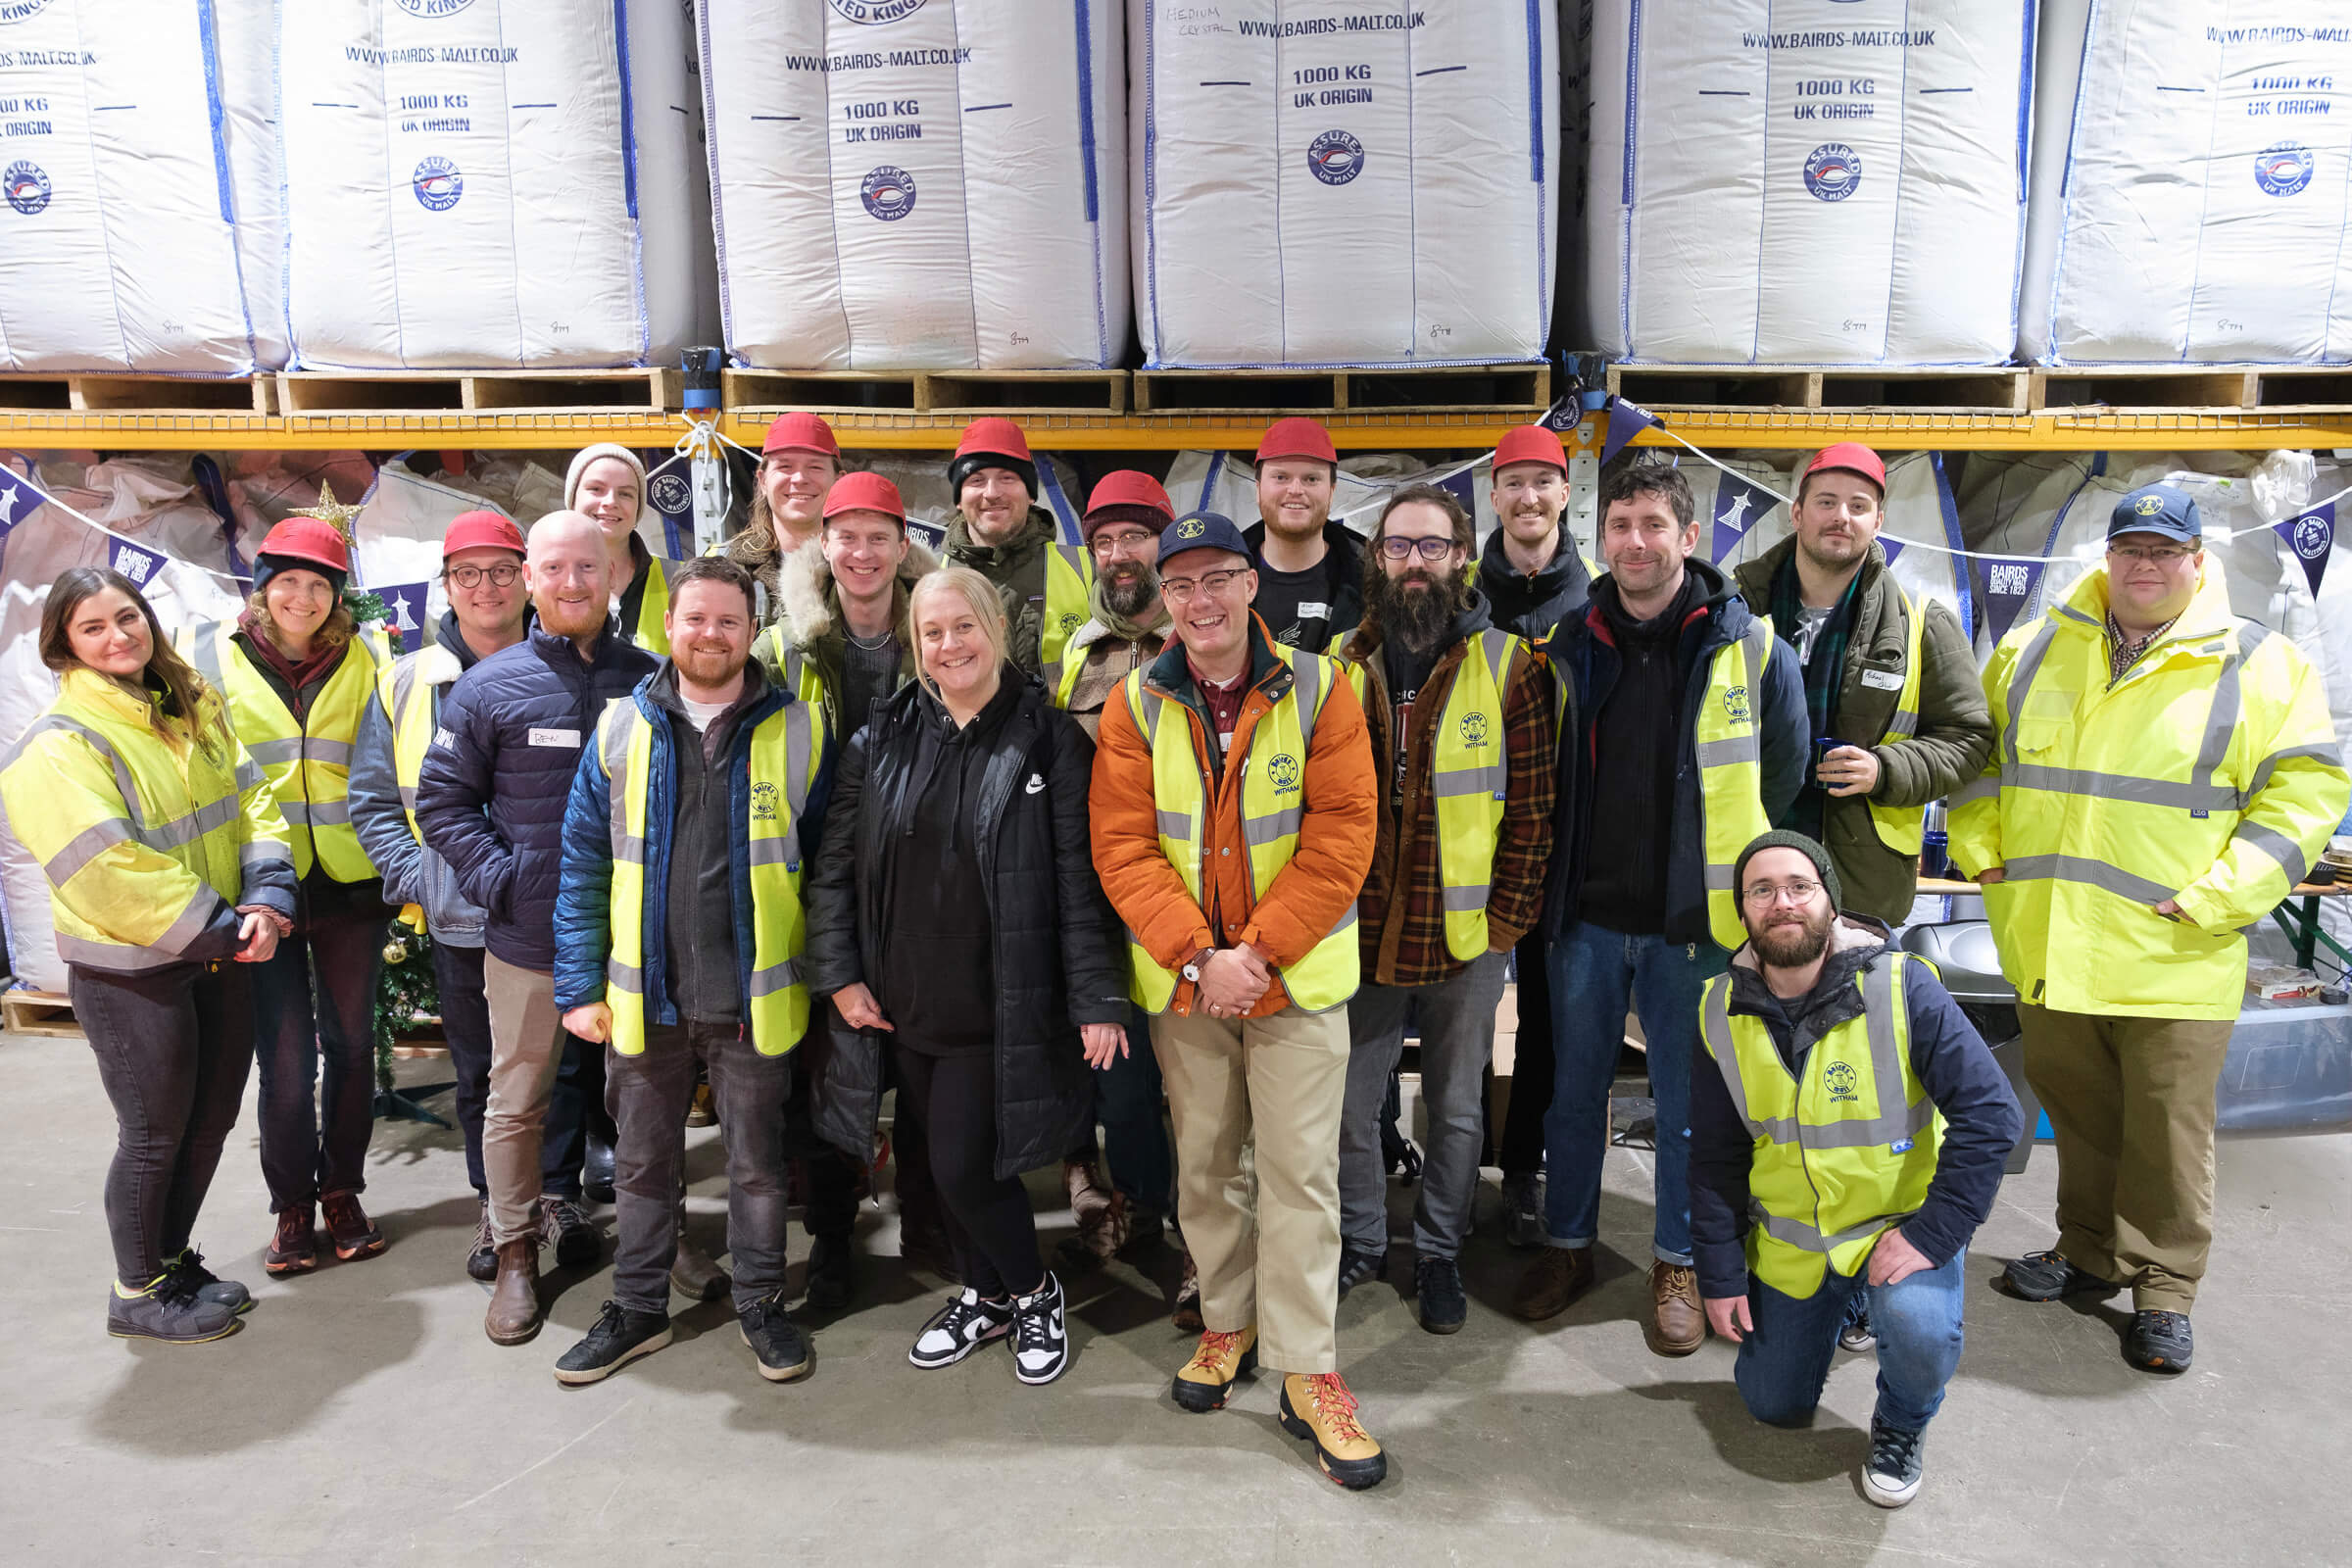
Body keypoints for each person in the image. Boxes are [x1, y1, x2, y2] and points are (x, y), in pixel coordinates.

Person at [1949, 482, 2348, 1373]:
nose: (2144, 565)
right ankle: (2087, 1250)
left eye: (2164, 552)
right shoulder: (2035, 645)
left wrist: (2220, 896)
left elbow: (2309, 794)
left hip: (2177, 948)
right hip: (2052, 938)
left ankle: (2164, 1286)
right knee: (2082, 1116)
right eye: (2131, 548)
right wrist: (1982, 851)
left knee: (2167, 1131)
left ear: (2196, 562)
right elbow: (1982, 762)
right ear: (2109, 557)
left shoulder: (2258, 663)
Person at [1091, 510, 1389, 1490]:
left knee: (1302, 1177)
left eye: (1219, 577)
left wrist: (1253, 953)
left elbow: (1344, 834)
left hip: (1292, 984)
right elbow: (1123, 847)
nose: (1200, 601)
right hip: (1188, 990)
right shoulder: (1137, 703)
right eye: (1181, 586)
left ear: (1251, 583)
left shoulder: (1322, 689)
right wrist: (1198, 956)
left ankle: (1308, 1370)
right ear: (1163, 599)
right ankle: (1229, 1323)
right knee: (1206, 1169)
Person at [1513, 460, 1807, 1356]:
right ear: (1600, 538)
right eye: (1620, 525)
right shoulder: (1568, 643)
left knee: (1688, 1104)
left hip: (1698, 929)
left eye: (1654, 526)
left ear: (1690, 538)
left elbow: (1784, 780)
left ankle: (1679, 1261)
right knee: (1574, 1097)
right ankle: (1569, 1244)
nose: (1634, 542)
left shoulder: (1751, 648)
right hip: (1588, 922)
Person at [808, 567, 1126, 1387]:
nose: (949, 646)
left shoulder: (1051, 742)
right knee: (951, 1169)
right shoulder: (879, 741)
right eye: (932, 634)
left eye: (963, 627)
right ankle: (985, 1295)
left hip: (1003, 1001)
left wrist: (1096, 997)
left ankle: (1033, 1288)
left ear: (995, 627)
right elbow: (835, 870)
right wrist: (840, 974)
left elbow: (1077, 881)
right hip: (904, 1000)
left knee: (960, 1166)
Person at [549, 557, 832, 1386]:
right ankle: (637, 1309)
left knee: (756, 1165)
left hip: (755, 1003)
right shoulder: (620, 729)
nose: (711, 634)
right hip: (645, 1001)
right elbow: (581, 866)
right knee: (641, 1166)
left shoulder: (798, 728)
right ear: (668, 626)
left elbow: (830, 867)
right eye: (696, 618)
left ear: (753, 631)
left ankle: (759, 1303)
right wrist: (577, 988)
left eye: (729, 622)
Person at [0, 568, 296, 1343]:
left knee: (209, 1122)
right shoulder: (59, 747)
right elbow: (106, 871)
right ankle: (135, 1292)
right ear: (63, 643)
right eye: (92, 627)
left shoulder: (190, 704)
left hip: (220, 951)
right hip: (134, 974)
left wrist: (266, 893)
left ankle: (168, 1263)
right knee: (155, 1131)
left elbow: (253, 797)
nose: (118, 636)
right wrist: (230, 928)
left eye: (126, 617)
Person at [1693, 832, 2022, 1508]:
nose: (1782, 902)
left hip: (1896, 1231)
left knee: (1920, 1330)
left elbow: (1994, 1116)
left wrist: (1934, 1235)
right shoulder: (1717, 1012)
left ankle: (1902, 1421)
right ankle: (1846, 1303)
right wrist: (1721, 1273)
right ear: (1745, 912)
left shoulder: (1904, 989)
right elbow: (1714, 1160)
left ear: (1830, 903)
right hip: (1795, 1246)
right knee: (1770, 1404)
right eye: (1762, 890)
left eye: (1799, 886)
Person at [417, 511, 660, 1346]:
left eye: (587, 569)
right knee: (515, 1102)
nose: (570, 583)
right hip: (526, 938)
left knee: (643, 1098)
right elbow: (442, 802)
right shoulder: (491, 686)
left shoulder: (652, 681)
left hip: (633, 939)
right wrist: (503, 880)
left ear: (613, 576)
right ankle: (517, 1250)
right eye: (553, 569)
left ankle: (656, 1248)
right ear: (531, 579)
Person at [1333, 485, 1556, 1333]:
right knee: (1353, 1105)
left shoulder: (1511, 666)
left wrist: (1504, 923)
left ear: (1463, 555)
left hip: (1465, 935)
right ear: (1378, 560)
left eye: (1432, 547)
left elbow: (1533, 811)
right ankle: (1360, 1242)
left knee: (1459, 1108)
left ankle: (1436, 1254)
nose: (1415, 563)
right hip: (1358, 933)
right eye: (1398, 548)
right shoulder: (1338, 668)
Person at [177, 517, 396, 1277]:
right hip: (259, 884)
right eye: (288, 580)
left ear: (337, 596)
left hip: (349, 879)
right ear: (264, 585)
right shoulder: (210, 655)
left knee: (349, 1043)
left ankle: (341, 1190)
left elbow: (386, 758)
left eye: (320, 584)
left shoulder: (367, 657)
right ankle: (291, 1207)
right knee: (284, 1054)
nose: (302, 596)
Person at [349, 511, 552, 1284]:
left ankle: (554, 1197)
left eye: (502, 570)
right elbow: (372, 799)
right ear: (447, 586)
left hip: (551, 915)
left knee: (559, 1069)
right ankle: (497, 1209)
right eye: (468, 573)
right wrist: (423, 880)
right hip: (464, 920)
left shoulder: (562, 665)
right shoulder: (409, 680)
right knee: (481, 1072)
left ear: (526, 578)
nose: (487, 587)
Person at [761, 468, 943, 1297]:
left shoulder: (938, 632)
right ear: (822, 546)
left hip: (922, 876)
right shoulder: (786, 647)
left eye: (880, 536)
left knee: (926, 1058)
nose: (863, 552)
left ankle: (931, 1222)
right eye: (848, 536)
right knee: (827, 1066)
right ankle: (833, 1233)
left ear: (904, 546)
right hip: (810, 874)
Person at [1729, 443, 1991, 924]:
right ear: (1797, 514)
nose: (1841, 517)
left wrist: (1885, 768)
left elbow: (1969, 738)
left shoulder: (1920, 623)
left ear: (1879, 521)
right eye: (1826, 502)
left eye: (1858, 506)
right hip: (1743, 862)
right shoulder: (1733, 610)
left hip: (1859, 882)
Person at [1052, 469, 1188, 1318]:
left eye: (1134, 535)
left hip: (1196, 899)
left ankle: (1209, 1238)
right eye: (1103, 541)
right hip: (1106, 903)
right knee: (1126, 1082)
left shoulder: (1207, 637)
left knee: (1207, 1086)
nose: (1118, 553)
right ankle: (1142, 1211)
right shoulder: (1082, 653)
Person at [1474, 423, 1593, 1249]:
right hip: (1466, 839)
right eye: (1512, 482)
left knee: (1550, 1018)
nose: (1527, 497)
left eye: (1541, 483)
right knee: (1460, 1018)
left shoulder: (1592, 597)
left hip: (1563, 837)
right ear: (1493, 496)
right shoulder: (1462, 592)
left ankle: (1523, 1169)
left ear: (1564, 494)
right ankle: (1453, 1163)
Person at [939, 416, 1092, 684]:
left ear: (1030, 493)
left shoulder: (1085, 572)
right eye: (976, 480)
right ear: (959, 499)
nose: (992, 493)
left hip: (1061, 726)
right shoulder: (930, 577)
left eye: (1007, 478)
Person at [1244, 416, 1362, 654]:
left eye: (1311, 479)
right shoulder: (1220, 577)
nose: (1296, 490)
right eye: (1281, 477)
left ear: (1331, 491)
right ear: (1258, 489)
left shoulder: (1369, 582)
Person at [719, 412, 840, 619]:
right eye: (785, 466)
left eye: (815, 467)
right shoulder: (723, 566)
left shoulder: (863, 566)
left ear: (839, 482)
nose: (800, 478)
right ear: (763, 481)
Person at [567, 442, 681, 657]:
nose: (610, 502)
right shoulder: (542, 583)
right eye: (596, 489)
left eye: (626, 494)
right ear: (573, 499)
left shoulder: (679, 579)